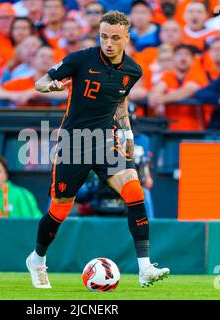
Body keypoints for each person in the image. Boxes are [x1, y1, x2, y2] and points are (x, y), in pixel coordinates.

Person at [25, 10, 170, 289]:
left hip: (106, 141)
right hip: (74, 141)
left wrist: (127, 134)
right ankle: (37, 259)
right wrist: (48, 87)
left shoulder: (132, 71)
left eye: (115, 38)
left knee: (134, 190)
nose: (109, 43)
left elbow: (120, 103)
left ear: (127, 38)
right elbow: (40, 81)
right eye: (104, 36)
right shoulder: (80, 59)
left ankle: (144, 268)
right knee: (60, 209)